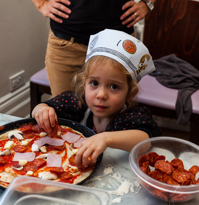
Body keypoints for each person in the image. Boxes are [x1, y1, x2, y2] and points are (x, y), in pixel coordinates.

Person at [31, 29, 161, 168]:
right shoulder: (76, 103)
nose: (101, 95)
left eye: (114, 87)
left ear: (130, 93)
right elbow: (41, 108)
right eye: (94, 83)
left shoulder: (133, 116)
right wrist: (42, 110)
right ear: (84, 83)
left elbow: (145, 141)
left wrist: (106, 139)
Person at [31, 0, 157, 97]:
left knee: (113, 120)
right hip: (67, 46)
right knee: (65, 116)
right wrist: (41, 4)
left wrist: (147, 3)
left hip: (118, 45)